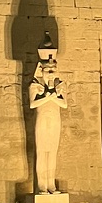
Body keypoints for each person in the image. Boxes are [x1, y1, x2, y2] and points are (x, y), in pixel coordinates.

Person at [29, 52, 68, 193]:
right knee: (41, 152)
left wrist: (51, 96)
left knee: (52, 153)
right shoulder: (35, 85)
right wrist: (48, 97)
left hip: (55, 121)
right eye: (47, 71)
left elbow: (64, 104)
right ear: (41, 70)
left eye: (53, 71)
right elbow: (33, 104)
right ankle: (42, 185)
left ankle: (51, 184)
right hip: (42, 120)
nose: (51, 75)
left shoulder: (60, 85)